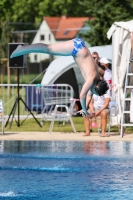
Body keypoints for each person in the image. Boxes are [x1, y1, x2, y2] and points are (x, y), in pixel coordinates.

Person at [10, 38, 109, 116]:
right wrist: (85, 110)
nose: (92, 93)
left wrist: (84, 108)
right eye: (95, 92)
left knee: (49, 49)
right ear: (96, 87)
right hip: (76, 49)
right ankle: (22, 49)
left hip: (80, 45)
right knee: (48, 48)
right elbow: (82, 95)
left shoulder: (97, 79)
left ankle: (23, 49)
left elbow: (89, 94)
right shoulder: (92, 79)